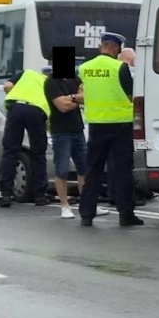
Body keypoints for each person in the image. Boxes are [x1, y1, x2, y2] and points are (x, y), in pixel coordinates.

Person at [77, 32, 142, 228]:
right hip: (120, 125)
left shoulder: (85, 68)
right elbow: (131, 96)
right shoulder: (120, 67)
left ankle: (86, 214)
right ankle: (126, 214)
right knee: (122, 172)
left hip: (96, 125)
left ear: (101, 46)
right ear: (115, 48)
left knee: (93, 171)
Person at [44, 64, 107, 221]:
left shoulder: (74, 79)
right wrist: (77, 97)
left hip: (78, 129)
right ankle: (64, 206)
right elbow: (62, 107)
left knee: (84, 168)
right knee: (62, 169)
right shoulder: (51, 82)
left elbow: (86, 97)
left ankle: (87, 204)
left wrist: (71, 98)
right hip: (61, 131)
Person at [0, 64, 54, 208]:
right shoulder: (50, 83)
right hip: (36, 111)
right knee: (38, 153)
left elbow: (7, 86)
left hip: (16, 108)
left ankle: (5, 194)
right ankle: (39, 195)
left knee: (10, 151)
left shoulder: (28, 73)